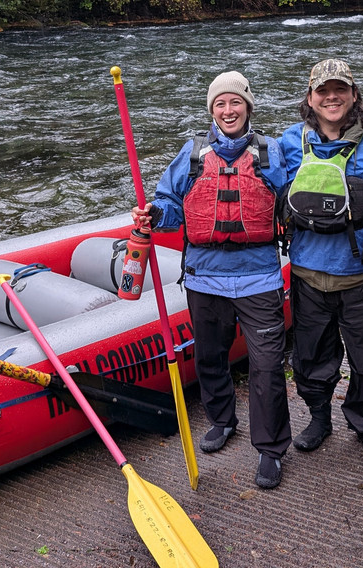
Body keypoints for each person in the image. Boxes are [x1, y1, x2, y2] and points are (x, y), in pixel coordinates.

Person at [132, 71, 291, 490]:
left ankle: (271, 448)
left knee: (268, 366)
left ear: (248, 107)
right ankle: (222, 421)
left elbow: (290, 201)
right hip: (204, 278)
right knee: (210, 359)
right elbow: (171, 205)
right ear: (211, 110)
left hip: (258, 277)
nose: (228, 110)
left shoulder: (270, 151)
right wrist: (154, 214)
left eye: (235, 102)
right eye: (220, 103)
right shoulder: (192, 154)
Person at [279, 59, 363, 458]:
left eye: (340, 90)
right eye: (323, 91)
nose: (331, 97)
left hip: (362, 276)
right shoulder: (289, 142)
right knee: (310, 355)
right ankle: (319, 418)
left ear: (354, 95)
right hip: (307, 273)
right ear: (310, 98)